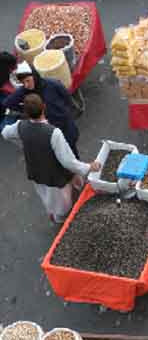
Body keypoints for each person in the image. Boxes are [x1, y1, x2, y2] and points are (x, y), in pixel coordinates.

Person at [2, 95, 98, 224]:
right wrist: (88, 167)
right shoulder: (53, 133)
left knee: (48, 198)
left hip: (37, 172)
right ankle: (62, 221)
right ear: (44, 107)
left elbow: (5, 133)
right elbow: (67, 162)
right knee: (63, 205)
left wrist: (22, 144)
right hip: (55, 176)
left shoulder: (20, 126)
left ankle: (56, 216)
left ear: (26, 112)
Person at [5, 62, 80, 155]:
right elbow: (8, 103)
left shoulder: (52, 84)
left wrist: (67, 114)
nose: (26, 85)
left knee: (72, 152)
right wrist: (25, 110)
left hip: (65, 127)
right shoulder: (25, 91)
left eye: (28, 80)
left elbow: (67, 98)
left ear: (34, 76)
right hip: (48, 132)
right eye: (23, 83)